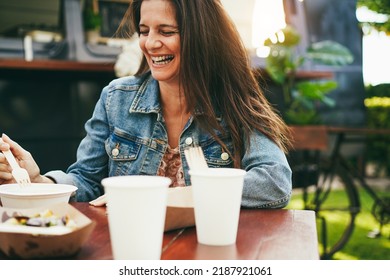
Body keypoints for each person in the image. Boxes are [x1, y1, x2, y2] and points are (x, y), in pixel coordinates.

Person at [0, 0, 292, 209]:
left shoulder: (234, 101)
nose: (150, 43)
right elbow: (87, 181)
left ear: (201, 36)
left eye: (166, 32)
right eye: (144, 30)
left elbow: (274, 183)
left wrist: (167, 198)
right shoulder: (116, 98)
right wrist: (39, 181)